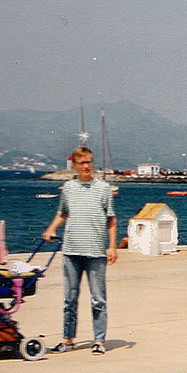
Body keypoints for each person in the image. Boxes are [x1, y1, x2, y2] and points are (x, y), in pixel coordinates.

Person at [41, 146, 116, 355]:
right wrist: (50, 229)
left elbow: (111, 220)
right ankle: (68, 339)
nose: (87, 166)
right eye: (82, 162)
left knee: (98, 299)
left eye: (90, 162)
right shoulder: (69, 188)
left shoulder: (103, 189)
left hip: (96, 252)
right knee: (69, 298)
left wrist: (112, 247)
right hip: (71, 250)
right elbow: (62, 213)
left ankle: (99, 341)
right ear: (74, 165)